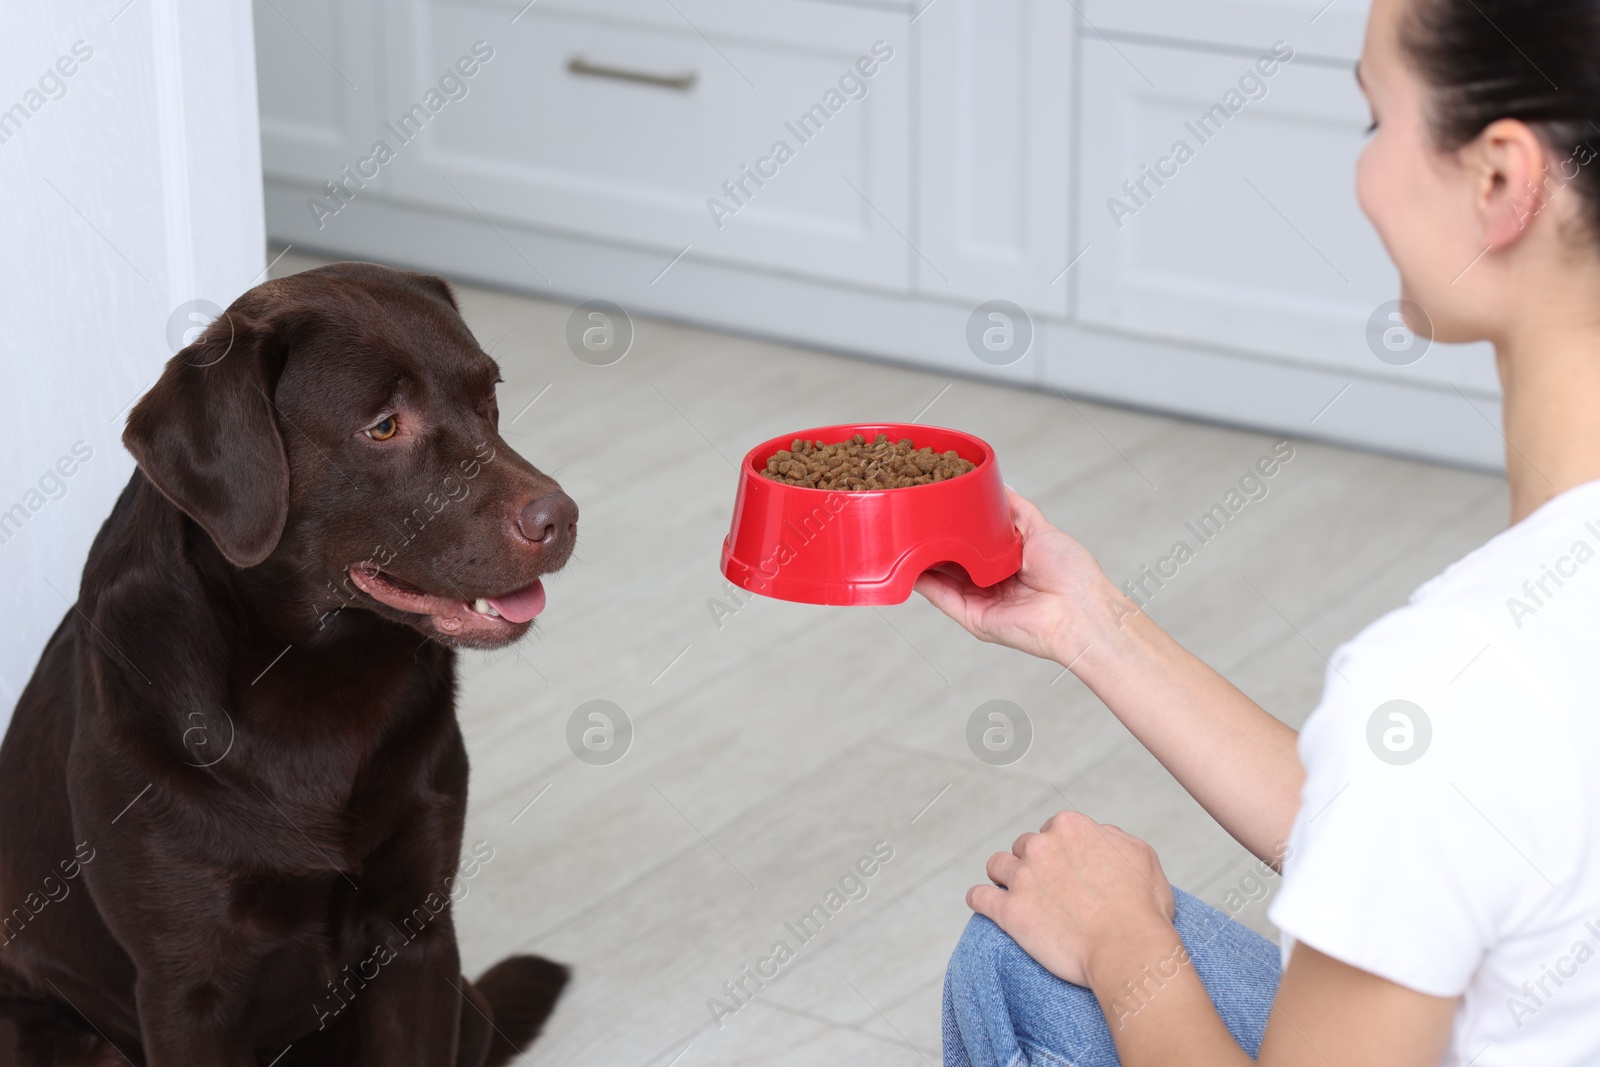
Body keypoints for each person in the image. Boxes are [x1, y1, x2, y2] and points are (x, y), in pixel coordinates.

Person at [917, 0, 1600, 1062]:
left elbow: (1447, 779)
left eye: (1376, 120)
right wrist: (1089, 624)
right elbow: (1457, 828)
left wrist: (1123, 945)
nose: (1365, 172)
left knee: (1018, 960)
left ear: (1500, 181)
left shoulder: (1462, 679)